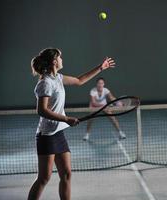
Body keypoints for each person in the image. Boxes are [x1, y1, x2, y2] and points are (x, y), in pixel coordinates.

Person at [27, 48, 115, 200]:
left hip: (58, 133)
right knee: (44, 178)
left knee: (66, 174)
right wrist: (66, 119)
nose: (62, 59)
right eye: (60, 57)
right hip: (47, 135)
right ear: (54, 61)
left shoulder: (58, 78)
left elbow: (79, 81)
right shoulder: (45, 83)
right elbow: (41, 110)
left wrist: (100, 67)